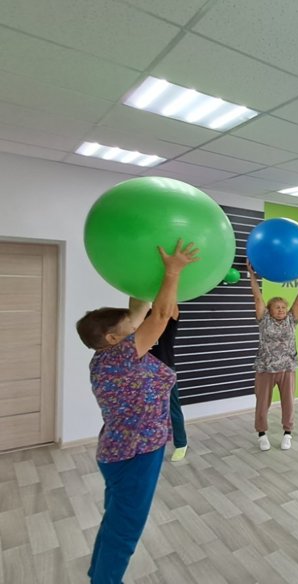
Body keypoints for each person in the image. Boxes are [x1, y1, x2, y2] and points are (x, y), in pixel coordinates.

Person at [75, 240, 199, 584]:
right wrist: (173, 270)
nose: (136, 328)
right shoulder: (123, 355)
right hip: (134, 454)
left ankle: (97, 573)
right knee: (125, 530)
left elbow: (143, 310)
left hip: (119, 451)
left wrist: (143, 275)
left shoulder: (106, 358)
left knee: (115, 519)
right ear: (114, 338)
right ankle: (105, 579)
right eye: (130, 328)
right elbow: (157, 316)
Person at [247, 261, 298, 451]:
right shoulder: (264, 319)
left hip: (287, 368)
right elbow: (257, 297)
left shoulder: (292, 319)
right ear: (269, 309)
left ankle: (287, 433)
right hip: (265, 368)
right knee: (262, 403)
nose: (281, 310)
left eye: (283, 307)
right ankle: (261, 434)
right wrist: (251, 274)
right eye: (277, 307)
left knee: (288, 403)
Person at [148, 307, 188, 462]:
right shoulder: (142, 318)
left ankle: (181, 443)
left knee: (173, 408)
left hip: (165, 369)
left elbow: (173, 307)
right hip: (144, 368)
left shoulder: (168, 319)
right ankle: (153, 443)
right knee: (149, 410)